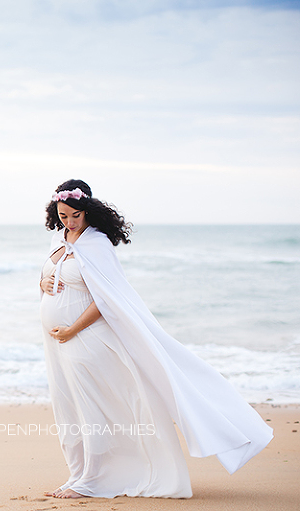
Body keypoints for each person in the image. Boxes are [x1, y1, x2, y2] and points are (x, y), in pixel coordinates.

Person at [38, 179, 273, 499]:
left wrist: (72, 329)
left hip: (85, 338)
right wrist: (45, 283)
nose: (69, 222)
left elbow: (108, 300)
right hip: (57, 343)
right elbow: (49, 277)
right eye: (63, 216)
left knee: (92, 408)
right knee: (69, 409)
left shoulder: (97, 244)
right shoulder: (59, 237)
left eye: (75, 215)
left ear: (87, 209)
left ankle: (92, 480)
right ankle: (77, 474)